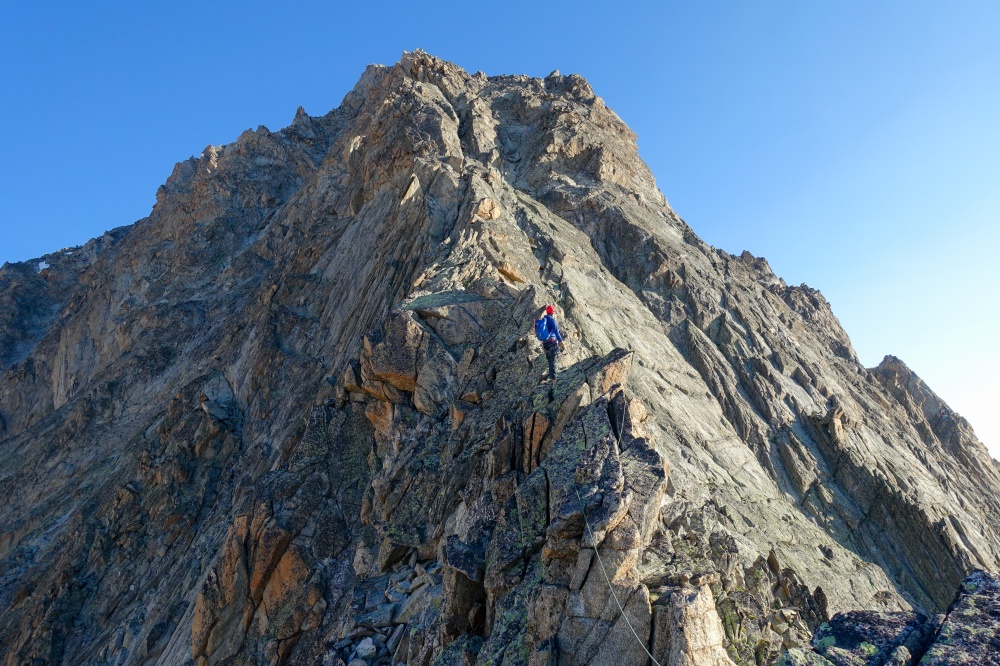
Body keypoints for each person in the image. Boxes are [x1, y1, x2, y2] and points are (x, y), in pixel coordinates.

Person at [537, 305, 564, 383]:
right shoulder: (552, 320)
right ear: (553, 312)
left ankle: (551, 377)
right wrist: (561, 342)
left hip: (545, 344)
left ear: (547, 312)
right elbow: (557, 333)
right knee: (553, 361)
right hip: (552, 342)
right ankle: (554, 380)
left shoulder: (543, 319)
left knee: (550, 361)